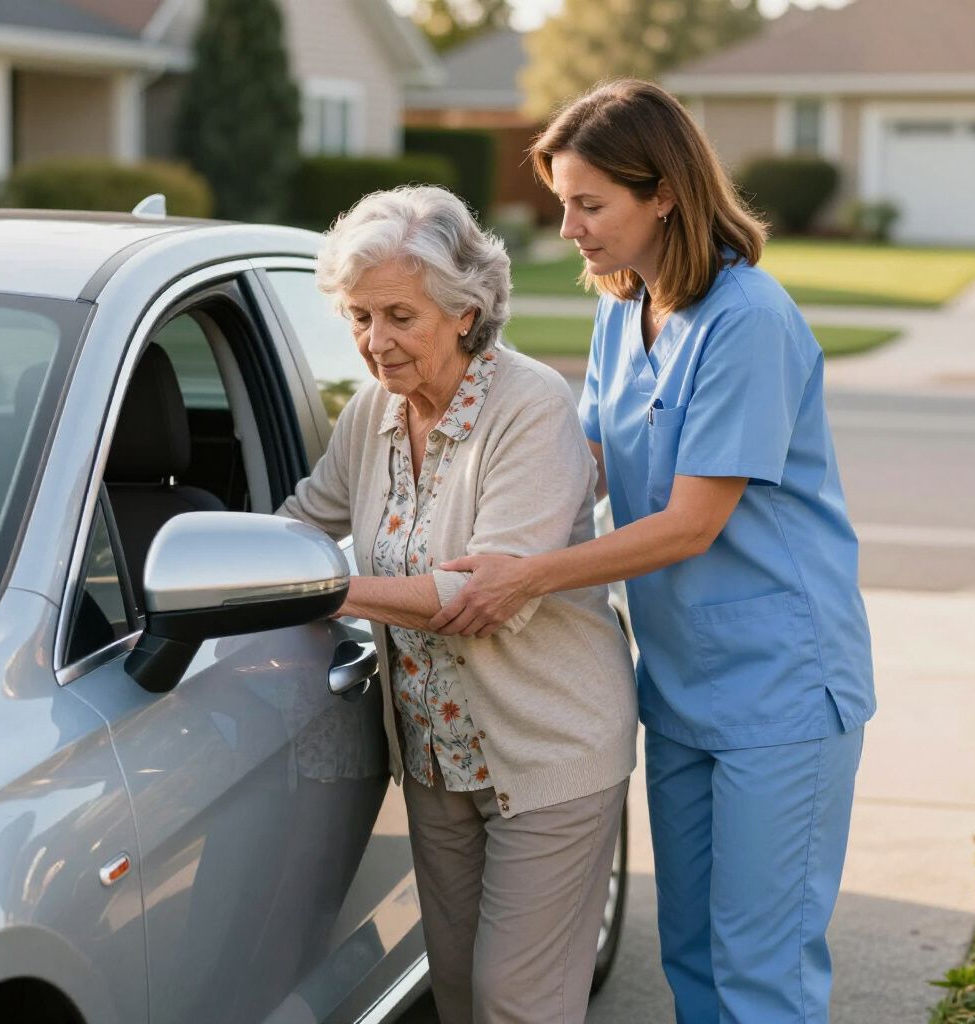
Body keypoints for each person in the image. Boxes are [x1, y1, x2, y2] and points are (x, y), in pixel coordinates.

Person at [429, 80, 876, 1024]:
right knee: (692, 959)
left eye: (590, 204)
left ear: (663, 192)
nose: (570, 227)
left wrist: (526, 577)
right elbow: (582, 463)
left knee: (762, 974)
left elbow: (689, 525)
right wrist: (465, 532)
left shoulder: (747, 320)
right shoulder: (619, 311)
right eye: (563, 203)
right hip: (677, 684)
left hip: (783, 687)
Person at [277, 185, 638, 1024]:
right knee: (462, 996)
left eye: (400, 316)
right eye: (361, 318)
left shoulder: (531, 408)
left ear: (465, 311)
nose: (377, 342)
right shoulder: (372, 413)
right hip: (437, 763)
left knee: (520, 1000)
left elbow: (477, 598)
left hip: (548, 754)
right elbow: (300, 522)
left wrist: (319, 589)